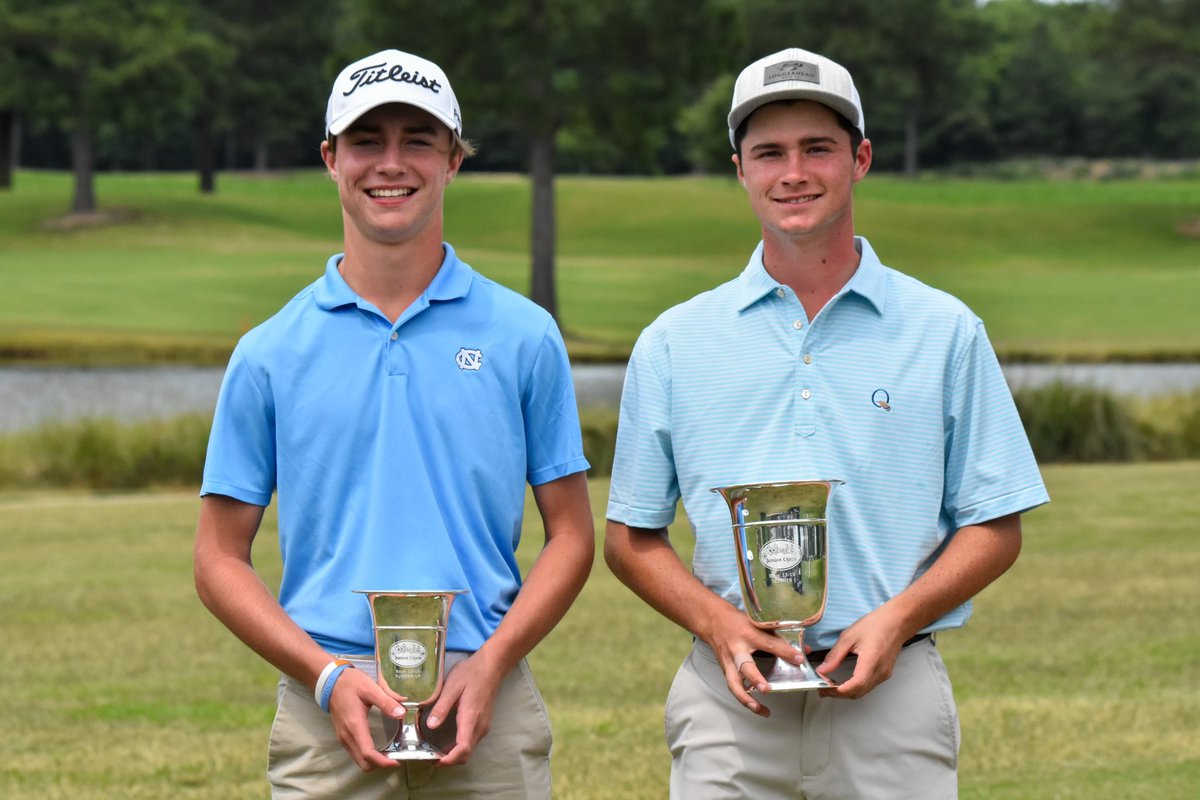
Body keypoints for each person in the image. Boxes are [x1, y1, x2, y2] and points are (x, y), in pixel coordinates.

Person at [604, 47, 1049, 799]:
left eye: (818, 149)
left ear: (861, 158)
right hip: (729, 702)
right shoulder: (674, 341)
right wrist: (719, 624)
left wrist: (899, 618)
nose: (794, 174)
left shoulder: (944, 330)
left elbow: (995, 524)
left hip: (892, 693)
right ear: (740, 168)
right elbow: (629, 537)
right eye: (769, 153)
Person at [193, 48, 594, 799]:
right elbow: (218, 558)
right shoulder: (269, 353)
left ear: (453, 161)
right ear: (330, 158)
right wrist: (324, 676)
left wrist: (494, 661)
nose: (391, 163)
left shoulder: (524, 334)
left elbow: (572, 534)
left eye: (418, 139)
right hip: (327, 706)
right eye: (366, 141)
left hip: (486, 694)